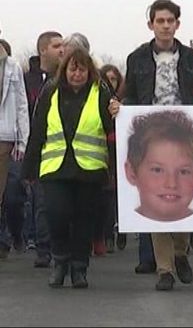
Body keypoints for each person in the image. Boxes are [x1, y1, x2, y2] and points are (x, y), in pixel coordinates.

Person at [113, 0, 193, 291]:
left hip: (185, 130)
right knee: (157, 198)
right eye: (160, 21)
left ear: (177, 24)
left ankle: (180, 252)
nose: (166, 26)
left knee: (184, 194)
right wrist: (121, 108)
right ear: (151, 25)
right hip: (152, 131)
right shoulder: (137, 58)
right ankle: (164, 269)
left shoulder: (192, 58)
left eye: (171, 21)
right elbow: (130, 93)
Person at [21, 48, 114, 289]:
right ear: (65, 69)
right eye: (73, 68)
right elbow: (38, 129)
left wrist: (115, 169)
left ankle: (79, 268)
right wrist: (29, 169)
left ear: (89, 71)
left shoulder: (101, 93)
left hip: (90, 170)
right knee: (56, 215)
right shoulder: (50, 91)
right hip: (55, 168)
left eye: (82, 69)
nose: (77, 74)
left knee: (85, 221)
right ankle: (60, 261)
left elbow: (114, 130)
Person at [23, 31, 64, 268]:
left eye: (63, 45)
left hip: (65, 151)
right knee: (41, 202)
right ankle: (43, 248)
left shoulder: (71, 77)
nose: (62, 49)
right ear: (43, 50)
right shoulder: (29, 80)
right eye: (56, 45)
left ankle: (61, 248)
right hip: (39, 148)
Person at [0, 39, 30, 258]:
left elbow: (21, 104)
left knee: (7, 195)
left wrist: (22, 140)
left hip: (5, 137)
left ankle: (12, 235)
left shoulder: (12, 66)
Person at [99, 64, 126, 252]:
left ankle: (123, 231)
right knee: (108, 194)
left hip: (123, 148)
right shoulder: (102, 99)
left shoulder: (126, 100)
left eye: (114, 78)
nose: (111, 82)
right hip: (107, 148)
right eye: (108, 78)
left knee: (123, 193)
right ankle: (108, 234)